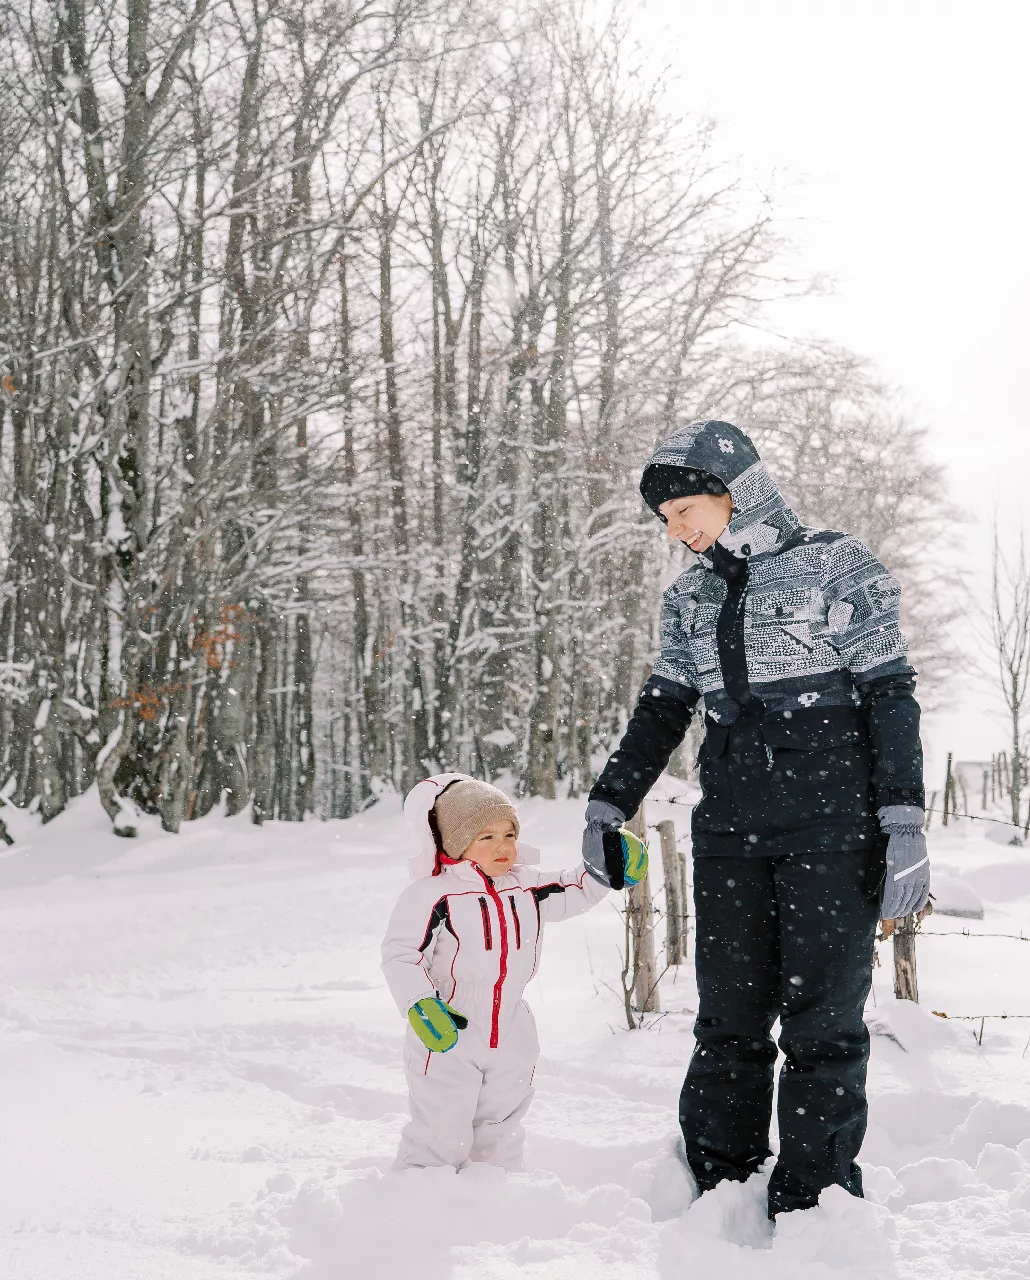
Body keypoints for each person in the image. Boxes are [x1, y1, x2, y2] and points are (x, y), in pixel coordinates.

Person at [579, 420, 930, 1218]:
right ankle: (719, 1190)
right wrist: (611, 798)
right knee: (728, 1023)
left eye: (683, 510)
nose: (677, 531)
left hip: (831, 832)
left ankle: (816, 1206)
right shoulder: (690, 599)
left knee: (825, 1027)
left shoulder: (839, 566)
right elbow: (664, 707)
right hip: (732, 835)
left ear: (737, 488)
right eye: (664, 521)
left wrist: (902, 819)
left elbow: (889, 694)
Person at [380, 773, 646, 1170]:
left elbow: (575, 888)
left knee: (501, 1124)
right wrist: (420, 1003)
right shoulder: (433, 895)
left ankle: (497, 1198)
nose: (502, 846)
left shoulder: (525, 887)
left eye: (509, 833)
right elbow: (402, 954)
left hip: (512, 1026)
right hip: (450, 1026)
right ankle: (422, 1199)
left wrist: (608, 867)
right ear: (455, 842)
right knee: (441, 1127)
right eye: (486, 836)